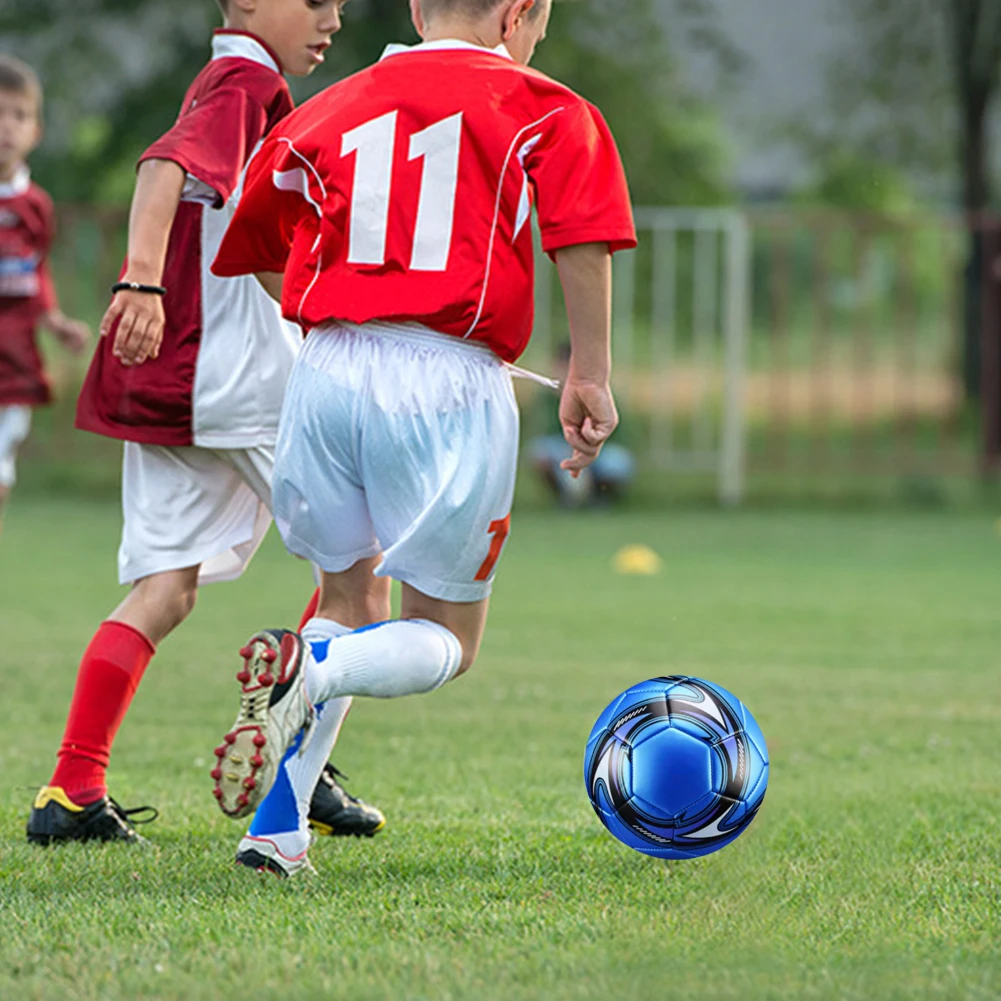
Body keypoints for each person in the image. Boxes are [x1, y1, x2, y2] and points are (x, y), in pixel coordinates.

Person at [208, 0, 637, 876]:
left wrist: (345, 307)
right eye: (538, 25)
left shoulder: (331, 103)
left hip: (324, 367)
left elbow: (254, 238)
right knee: (446, 641)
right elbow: (582, 237)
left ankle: (277, 830)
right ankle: (311, 676)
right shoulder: (547, 107)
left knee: (342, 605)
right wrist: (589, 373)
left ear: (415, 8)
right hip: (443, 381)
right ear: (516, 13)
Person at [26, 0, 385, 846]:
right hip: (239, 381)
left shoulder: (229, 79)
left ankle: (72, 788)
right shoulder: (246, 79)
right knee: (364, 567)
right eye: (316, 1)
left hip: (176, 384)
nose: (331, 17)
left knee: (165, 588)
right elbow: (162, 167)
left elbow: (239, 240)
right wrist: (139, 280)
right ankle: (299, 762)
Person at [0, 56, 90, 538]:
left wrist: (55, 321)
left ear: (36, 129)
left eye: (19, 115)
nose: (6, 127)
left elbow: (37, 271)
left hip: (12, 358)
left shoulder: (36, 206)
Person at [529, 344, 636, 507]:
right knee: (541, 452)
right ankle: (565, 497)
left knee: (616, 462)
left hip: (601, 449)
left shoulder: (600, 395)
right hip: (563, 448)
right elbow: (546, 432)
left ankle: (600, 497)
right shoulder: (547, 398)